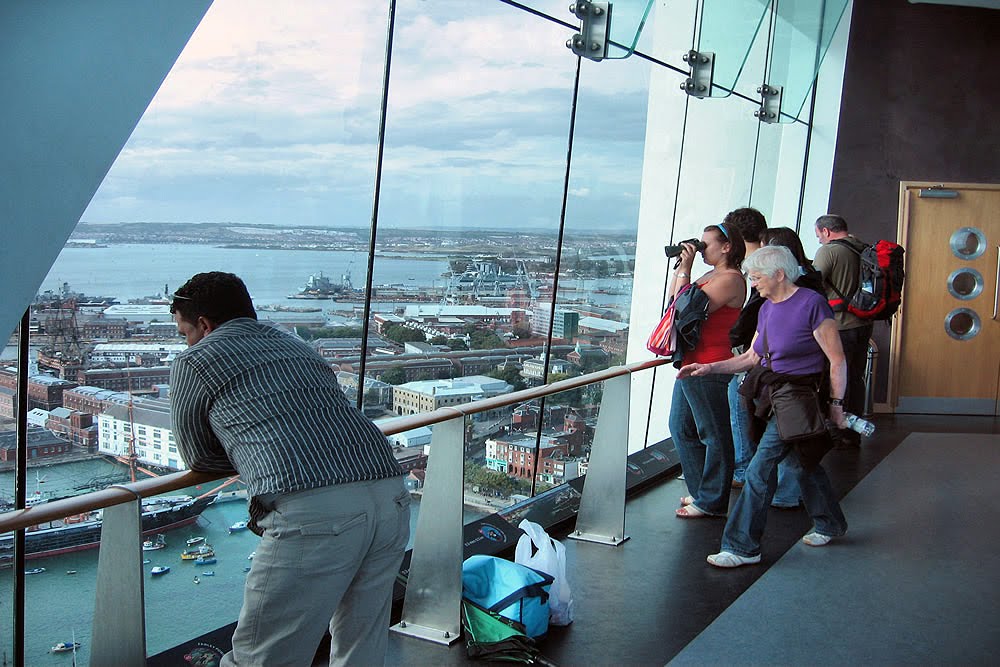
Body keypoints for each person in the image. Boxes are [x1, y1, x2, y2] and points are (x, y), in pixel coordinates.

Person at [169, 272, 409, 666]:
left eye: (184, 332)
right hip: (388, 491)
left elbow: (198, 457)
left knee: (264, 656)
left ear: (204, 326)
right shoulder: (296, 344)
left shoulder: (196, 361)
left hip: (313, 512)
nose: (185, 340)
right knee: (361, 646)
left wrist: (255, 453)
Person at [677, 246, 848, 567]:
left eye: (756, 277)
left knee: (759, 469)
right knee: (802, 463)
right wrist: (710, 368)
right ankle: (831, 523)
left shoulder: (813, 305)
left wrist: (836, 404)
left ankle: (742, 546)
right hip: (770, 396)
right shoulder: (768, 308)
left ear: (779, 274)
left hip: (799, 398)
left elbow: (837, 361)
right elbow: (752, 357)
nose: (752, 284)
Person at [670, 223, 747, 518]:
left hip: (712, 365)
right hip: (693, 363)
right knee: (681, 427)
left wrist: (687, 269)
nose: (702, 249)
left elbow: (685, 309)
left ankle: (712, 500)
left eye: (706, 244)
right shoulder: (709, 275)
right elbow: (674, 300)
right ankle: (703, 491)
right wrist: (682, 268)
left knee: (713, 433)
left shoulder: (730, 279)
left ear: (726, 247)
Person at [813, 214, 873, 448]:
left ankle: (837, 431)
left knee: (837, 377)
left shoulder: (829, 252)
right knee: (856, 378)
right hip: (864, 324)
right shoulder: (863, 248)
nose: (819, 240)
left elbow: (814, 282)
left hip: (839, 325)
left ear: (826, 232)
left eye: (818, 235)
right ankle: (852, 433)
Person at [722, 208, 767, 491]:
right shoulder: (772, 261)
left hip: (749, 351)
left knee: (738, 403)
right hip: (764, 350)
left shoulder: (748, 269)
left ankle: (744, 469)